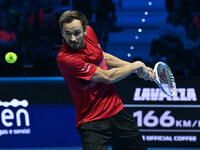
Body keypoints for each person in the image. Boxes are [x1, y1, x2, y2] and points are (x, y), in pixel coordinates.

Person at [56, 10, 155, 150]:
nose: (72, 38)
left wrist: (138, 69)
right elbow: (107, 77)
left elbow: (103, 57)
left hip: (116, 111)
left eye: (77, 33)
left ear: (85, 30)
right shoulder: (66, 59)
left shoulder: (90, 33)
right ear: (62, 33)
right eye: (68, 33)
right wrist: (136, 65)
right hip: (92, 120)